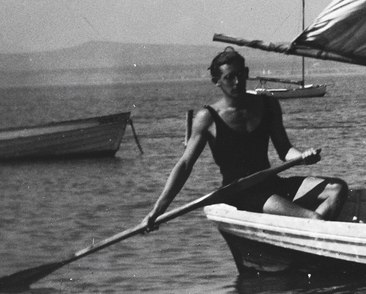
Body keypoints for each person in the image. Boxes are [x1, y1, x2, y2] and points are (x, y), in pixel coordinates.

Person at [142, 47, 347, 229]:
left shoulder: (268, 105)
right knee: (314, 219)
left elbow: (284, 150)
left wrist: (302, 156)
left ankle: (308, 243)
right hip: (240, 193)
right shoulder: (207, 118)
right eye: (229, 77)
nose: (237, 82)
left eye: (241, 74)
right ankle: (313, 245)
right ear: (217, 82)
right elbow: (185, 165)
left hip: (271, 183)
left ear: (247, 73)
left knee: (337, 189)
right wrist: (157, 209)